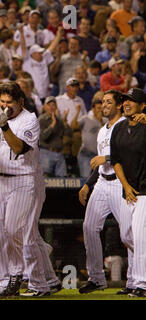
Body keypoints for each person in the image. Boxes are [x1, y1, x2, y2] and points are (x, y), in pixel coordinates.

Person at [0, 82, 50, 296]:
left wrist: (4, 125)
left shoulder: (29, 119)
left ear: (20, 102)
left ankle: (37, 282)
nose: (5, 107)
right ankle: (8, 279)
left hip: (23, 179)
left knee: (16, 231)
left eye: (10, 103)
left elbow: (19, 148)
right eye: (3, 102)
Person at [77, 89, 134, 295]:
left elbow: (129, 154)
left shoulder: (126, 125)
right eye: (102, 102)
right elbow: (99, 164)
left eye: (109, 101)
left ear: (119, 105)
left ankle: (135, 281)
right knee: (89, 227)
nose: (104, 105)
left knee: (129, 234)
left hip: (121, 183)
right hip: (102, 182)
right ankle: (96, 278)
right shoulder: (102, 130)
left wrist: (108, 159)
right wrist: (87, 184)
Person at [110, 88, 146, 297]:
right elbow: (116, 160)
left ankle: (141, 283)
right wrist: (124, 185)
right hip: (128, 190)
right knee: (127, 236)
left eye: (132, 101)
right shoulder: (119, 127)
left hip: (144, 190)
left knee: (141, 238)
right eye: (124, 100)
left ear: (142, 106)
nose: (126, 103)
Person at [38, 96, 72, 177]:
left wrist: (65, 122)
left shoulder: (59, 120)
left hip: (59, 154)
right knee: (45, 180)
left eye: (53, 105)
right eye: (49, 105)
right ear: (44, 107)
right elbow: (43, 137)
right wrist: (52, 125)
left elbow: (69, 134)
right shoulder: (41, 119)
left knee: (62, 181)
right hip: (45, 153)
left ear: (56, 107)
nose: (51, 107)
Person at [72, 99, 104, 178]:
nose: (100, 110)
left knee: (100, 180)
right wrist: (77, 112)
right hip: (86, 154)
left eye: (101, 108)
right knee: (85, 180)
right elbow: (73, 126)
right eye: (98, 108)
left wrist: (101, 121)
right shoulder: (86, 118)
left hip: (99, 155)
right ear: (93, 109)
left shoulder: (106, 121)